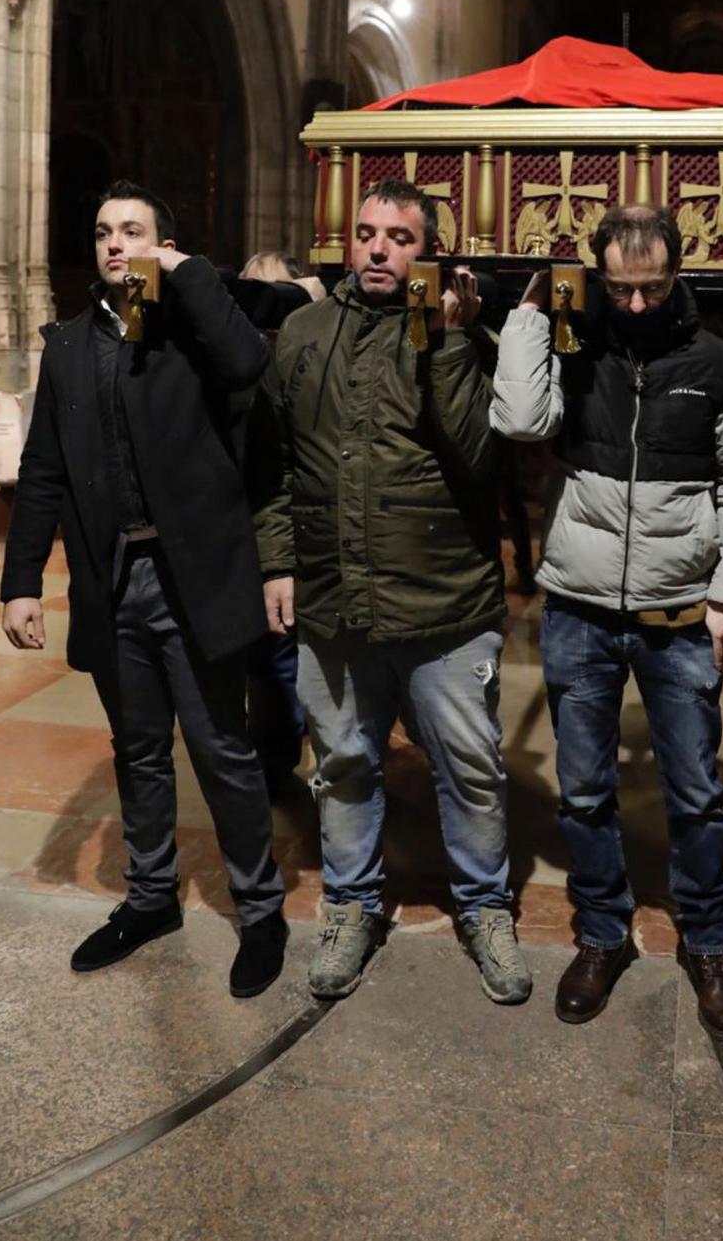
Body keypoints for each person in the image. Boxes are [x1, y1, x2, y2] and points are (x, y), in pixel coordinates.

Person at [0, 181, 287, 997]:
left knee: (222, 750)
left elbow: (248, 363)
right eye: (102, 232)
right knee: (137, 751)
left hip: (191, 578)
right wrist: (23, 582)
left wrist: (186, 274)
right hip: (111, 581)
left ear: (163, 243)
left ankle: (260, 910)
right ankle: (152, 896)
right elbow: (43, 470)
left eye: (133, 230)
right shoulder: (68, 345)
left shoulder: (193, 331)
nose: (114, 244)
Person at [491, 205, 723, 1040]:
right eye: (621, 288)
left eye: (651, 288)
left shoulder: (719, 365)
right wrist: (532, 314)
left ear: (678, 274)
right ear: (599, 278)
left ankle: (710, 943)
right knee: (583, 792)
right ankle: (602, 933)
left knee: (693, 791)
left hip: (680, 613)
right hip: (579, 605)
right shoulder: (576, 348)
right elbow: (517, 420)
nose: (637, 305)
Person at [252, 178, 531, 1006]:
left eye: (400, 237)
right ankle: (351, 903)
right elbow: (270, 467)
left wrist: (444, 338)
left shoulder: (466, 337)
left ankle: (485, 907)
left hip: (443, 604)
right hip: (335, 602)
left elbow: (483, 459)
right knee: (342, 764)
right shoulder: (303, 332)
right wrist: (277, 563)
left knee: (472, 770)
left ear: (430, 250)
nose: (378, 248)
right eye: (367, 233)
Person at [234, 249, 324, 799]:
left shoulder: (313, 356)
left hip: (315, 530)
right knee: (269, 659)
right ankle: (273, 760)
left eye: (278, 298)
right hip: (254, 535)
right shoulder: (232, 366)